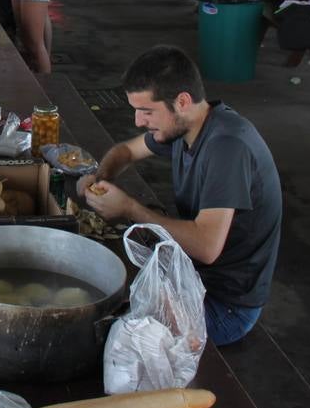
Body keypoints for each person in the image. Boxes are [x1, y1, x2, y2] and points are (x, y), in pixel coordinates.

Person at [80, 46, 282, 347]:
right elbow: (125, 151)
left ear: (182, 101)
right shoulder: (185, 127)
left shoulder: (227, 146)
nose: (138, 121)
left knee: (99, 336)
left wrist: (129, 208)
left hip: (224, 305)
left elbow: (206, 246)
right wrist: (100, 178)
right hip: (191, 278)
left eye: (147, 111)